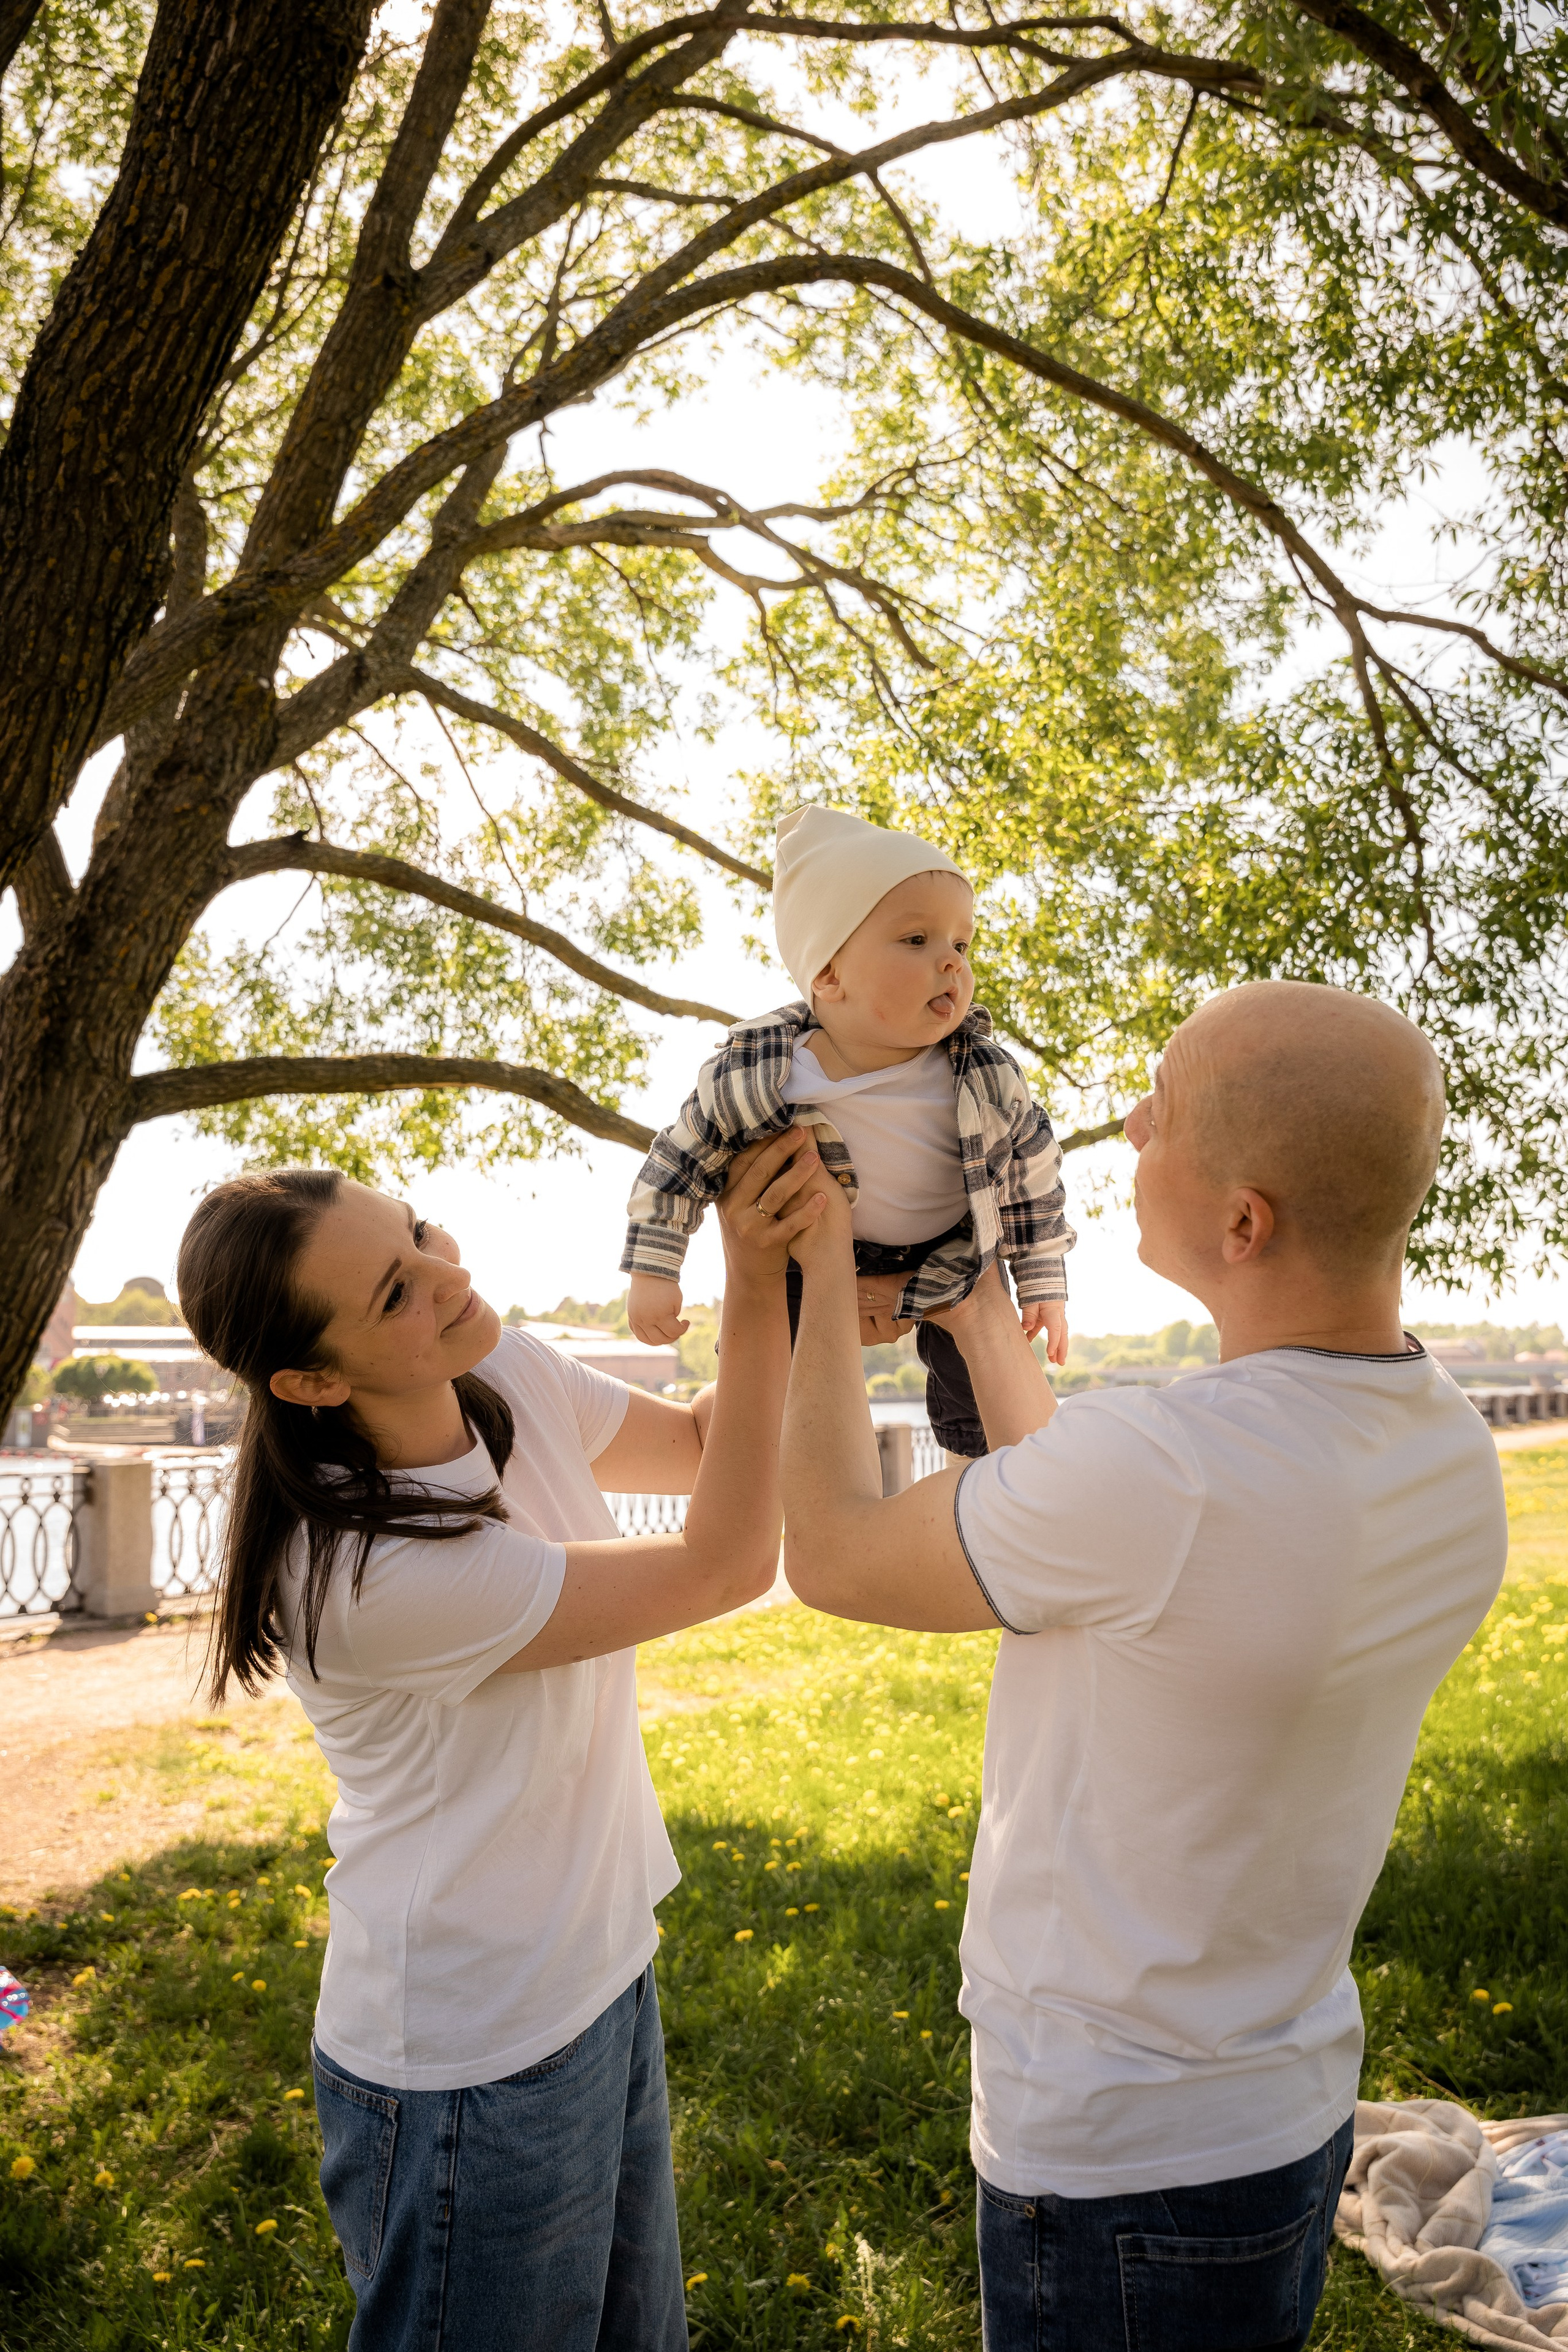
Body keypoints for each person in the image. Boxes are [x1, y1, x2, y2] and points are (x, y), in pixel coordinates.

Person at [776, 979, 1509, 2352]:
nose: (1124, 1124)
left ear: (1242, 1222)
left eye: (1158, 1110)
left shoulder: (1164, 1471)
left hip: (1114, 2155)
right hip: (1280, 2107)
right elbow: (1118, 1551)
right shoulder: (1443, 1448)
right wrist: (982, 1317)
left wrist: (813, 1270)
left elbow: (831, 1555)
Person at [174, 1131, 827, 2352]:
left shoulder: (504, 1371)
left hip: (598, 1974)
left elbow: (697, 1450)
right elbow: (727, 1561)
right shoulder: (363, 1578)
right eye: (394, 1292)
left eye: (417, 1233)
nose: (444, 1274)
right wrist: (745, 1275)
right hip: (468, 2061)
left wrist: (811, 1295)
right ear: (313, 1381)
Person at [622, 803, 1074, 1461]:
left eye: (961, 944)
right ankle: (784, 1458)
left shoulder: (983, 1074)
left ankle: (975, 1477)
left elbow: (1033, 1179)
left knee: (978, 1383)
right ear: (828, 976)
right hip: (814, 1253)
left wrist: (1043, 1282)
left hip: (951, 1247)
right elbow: (678, 1162)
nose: (950, 962)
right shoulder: (759, 1074)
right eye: (916, 941)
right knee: (777, 1355)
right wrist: (654, 1269)